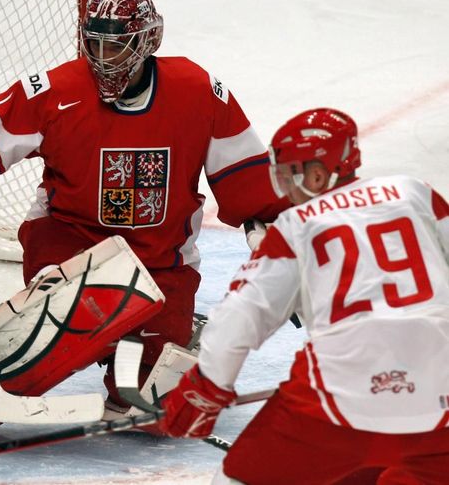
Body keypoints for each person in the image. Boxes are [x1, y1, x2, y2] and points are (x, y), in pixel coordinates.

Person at [0, 0, 287, 444]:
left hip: (160, 262)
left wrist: (278, 244)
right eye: (94, 42)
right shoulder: (59, 89)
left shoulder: (198, 92)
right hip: (70, 243)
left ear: (149, 42)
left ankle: (165, 335)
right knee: (77, 311)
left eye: (116, 46)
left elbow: (247, 175)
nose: (103, 58)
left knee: (152, 410)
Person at [158, 107, 449, 485]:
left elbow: (238, 318)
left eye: (288, 174)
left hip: (336, 397)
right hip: (438, 392)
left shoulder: (296, 227)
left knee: (235, 479)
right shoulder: (416, 193)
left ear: (317, 174)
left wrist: (207, 388)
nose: (284, 190)